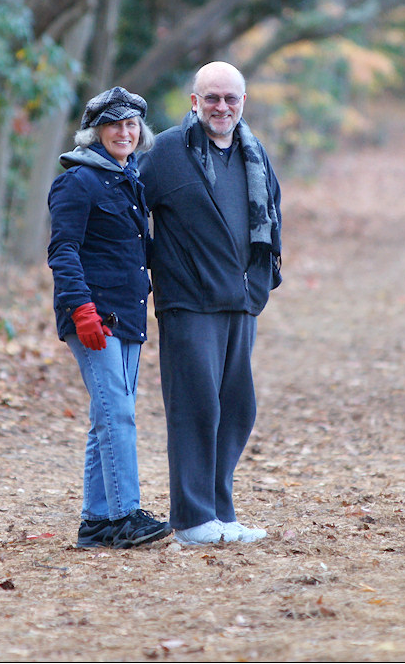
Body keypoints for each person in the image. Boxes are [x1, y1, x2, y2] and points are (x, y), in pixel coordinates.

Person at [138, 61, 282, 546]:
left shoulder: (254, 152)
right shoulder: (164, 153)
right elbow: (128, 213)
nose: (222, 107)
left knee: (236, 408)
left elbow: (272, 220)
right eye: (212, 98)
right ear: (194, 101)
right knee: (196, 407)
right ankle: (192, 519)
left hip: (240, 302)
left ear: (243, 103)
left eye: (231, 99)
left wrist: (260, 285)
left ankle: (221, 513)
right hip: (188, 302)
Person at [47, 86, 172, 549]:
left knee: (108, 417)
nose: (125, 131)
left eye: (132, 124)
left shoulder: (128, 179)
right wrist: (81, 311)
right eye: (115, 124)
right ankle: (124, 516)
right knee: (117, 415)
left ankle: (96, 523)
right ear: (94, 132)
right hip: (95, 319)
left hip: (128, 315)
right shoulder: (78, 181)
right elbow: (63, 251)